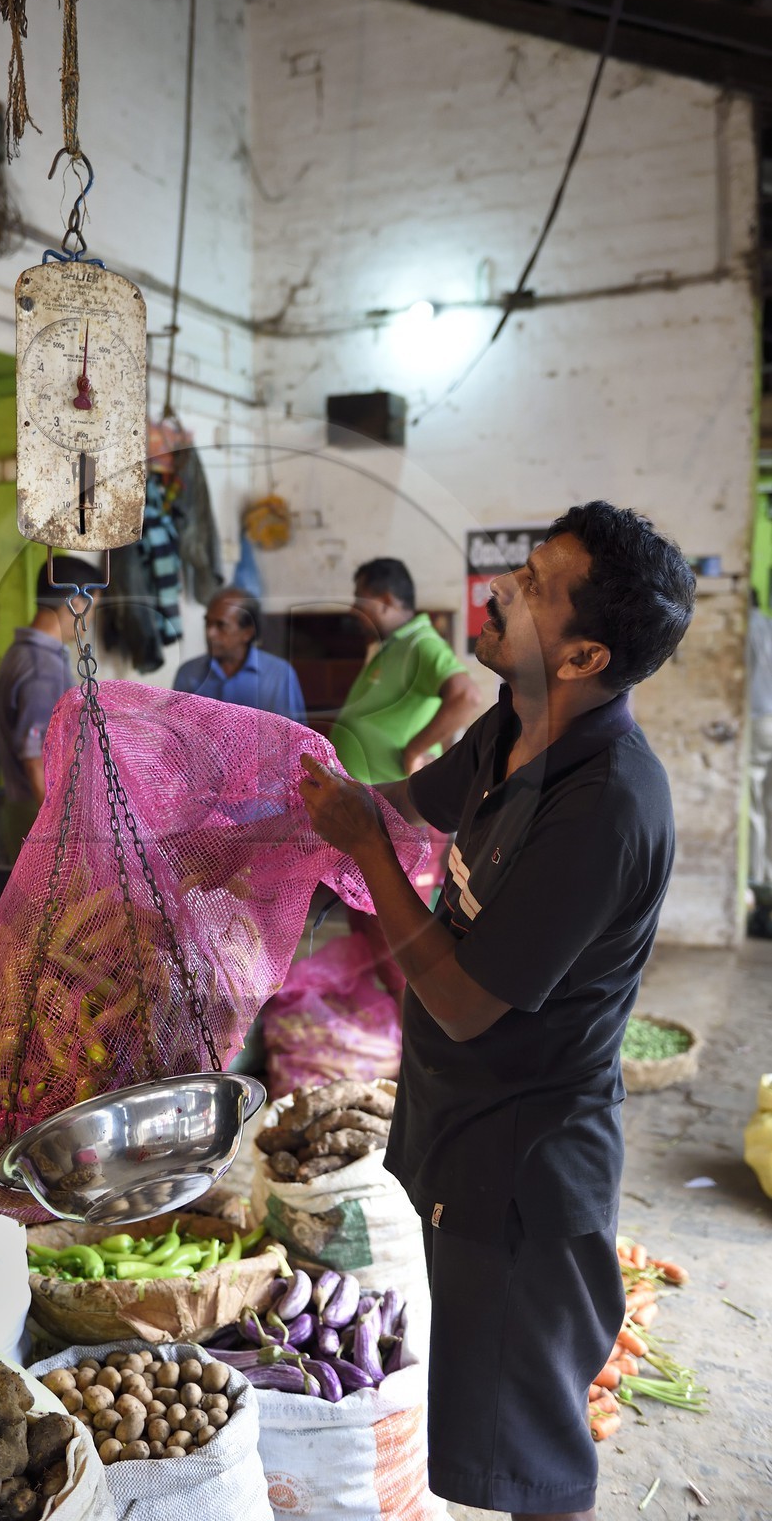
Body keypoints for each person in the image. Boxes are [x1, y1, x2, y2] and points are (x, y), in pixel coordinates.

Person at [298, 502, 695, 1521]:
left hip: (528, 1168)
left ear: (583, 653)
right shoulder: (516, 722)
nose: (499, 593)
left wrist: (365, 853)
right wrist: (261, 803)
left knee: (534, 1464)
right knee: (485, 1418)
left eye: (532, 589)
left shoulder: (607, 801)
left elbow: (470, 1002)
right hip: (461, 1128)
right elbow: (406, 804)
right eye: (518, 568)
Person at [331, 558, 481, 782]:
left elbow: (466, 696)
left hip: (392, 800)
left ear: (385, 601)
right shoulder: (392, 645)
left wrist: (414, 750)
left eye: (360, 600)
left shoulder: (421, 643)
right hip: (367, 797)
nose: (354, 610)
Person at [0, 555, 101, 857]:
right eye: (92, 607)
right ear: (76, 603)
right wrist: (56, 829)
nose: (89, 619)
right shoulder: (41, 665)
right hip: (39, 813)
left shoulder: (22, 653)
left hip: (29, 808)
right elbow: (34, 758)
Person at [173, 587, 306, 723]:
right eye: (208, 623)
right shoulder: (189, 674)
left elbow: (296, 738)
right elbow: (175, 734)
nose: (210, 633)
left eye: (221, 625)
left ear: (247, 633)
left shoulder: (279, 675)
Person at [748, 588, 772, 924]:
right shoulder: (767, 623)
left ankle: (754, 880)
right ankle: (767, 875)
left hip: (755, 717)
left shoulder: (745, 626)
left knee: (753, 803)